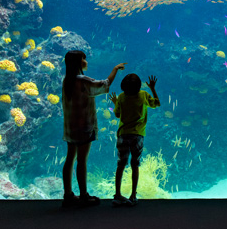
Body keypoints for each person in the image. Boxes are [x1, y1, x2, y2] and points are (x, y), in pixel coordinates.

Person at [61, 50, 126, 207]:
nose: (86, 61)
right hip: (84, 127)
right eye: (84, 58)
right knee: (82, 160)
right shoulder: (83, 80)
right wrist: (115, 69)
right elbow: (105, 84)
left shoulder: (67, 80)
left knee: (70, 159)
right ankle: (84, 195)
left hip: (70, 127)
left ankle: (68, 194)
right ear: (78, 63)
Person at [109, 73, 160, 206]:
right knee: (135, 165)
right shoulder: (143, 95)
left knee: (120, 165)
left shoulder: (121, 97)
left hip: (123, 135)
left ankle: (117, 195)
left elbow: (117, 114)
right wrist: (153, 88)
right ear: (138, 87)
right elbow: (157, 104)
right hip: (138, 135)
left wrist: (115, 103)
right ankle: (133, 195)